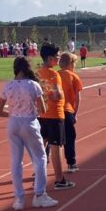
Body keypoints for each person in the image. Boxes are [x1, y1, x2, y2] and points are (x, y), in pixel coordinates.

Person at [0, 56, 57, 210]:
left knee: (16, 161)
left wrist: (13, 114)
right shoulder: (33, 85)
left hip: (13, 123)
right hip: (29, 122)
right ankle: (40, 195)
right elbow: (43, 109)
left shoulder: (8, 86)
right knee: (40, 158)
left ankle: (19, 199)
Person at [37, 43, 73, 190]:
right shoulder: (54, 74)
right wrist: (58, 94)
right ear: (50, 58)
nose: (59, 59)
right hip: (55, 115)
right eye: (57, 56)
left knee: (40, 147)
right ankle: (59, 179)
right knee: (56, 148)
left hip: (42, 114)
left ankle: (38, 176)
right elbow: (57, 95)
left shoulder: (37, 73)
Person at [57, 52, 84, 173]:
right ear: (71, 63)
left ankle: (42, 164)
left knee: (50, 139)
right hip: (67, 110)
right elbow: (78, 99)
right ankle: (71, 163)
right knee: (69, 137)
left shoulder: (55, 74)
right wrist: (74, 114)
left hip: (54, 111)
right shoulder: (74, 77)